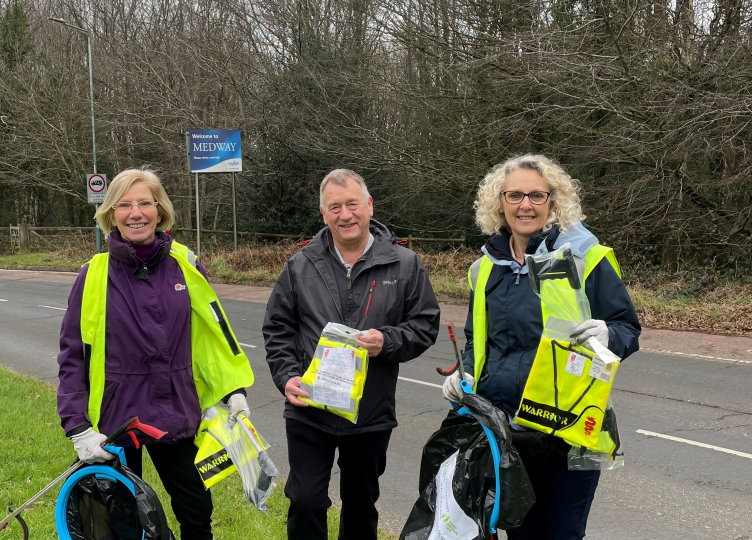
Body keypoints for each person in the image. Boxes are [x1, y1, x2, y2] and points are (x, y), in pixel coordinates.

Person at [442, 155, 640, 539]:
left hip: (567, 432)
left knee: (563, 533)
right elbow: (476, 340)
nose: (525, 205)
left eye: (536, 195)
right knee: (519, 533)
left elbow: (627, 328)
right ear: (499, 202)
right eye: (514, 195)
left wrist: (608, 335)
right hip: (505, 431)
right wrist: (464, 373)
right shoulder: (484, 269)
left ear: (553, 201)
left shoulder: (585, 257)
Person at [56, 168, 253, 540]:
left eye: (145, 203)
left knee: (197, 514)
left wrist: (232, 391)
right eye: (124, 204)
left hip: (176, 413)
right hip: (115, 422)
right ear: (110, 214)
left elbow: (213, 336)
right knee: (123, 524)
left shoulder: (187, 266)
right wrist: (78, 427)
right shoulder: (92, 275)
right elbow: (72, 356)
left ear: (159, 210)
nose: (136, 213)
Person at [263, 169, 441, 540]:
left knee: (361, 505)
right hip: (310, 410)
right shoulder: (300, 265)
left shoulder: (405, 264)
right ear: (323, 214)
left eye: (352, 204)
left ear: (369, 206)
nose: (345, 214)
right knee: (307, 501)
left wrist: (387, 341)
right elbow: (278, 328)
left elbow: (425, 326)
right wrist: (286, 377)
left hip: (370, 413)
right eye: (335, 207)